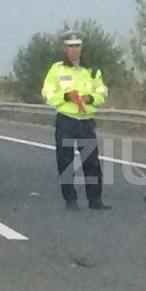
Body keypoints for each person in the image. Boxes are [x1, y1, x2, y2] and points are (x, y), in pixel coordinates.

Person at [41, 31, 111, 210]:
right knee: (65, 160)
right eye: (71, 46)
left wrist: (90, 98)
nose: (74, 50)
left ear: (81, 48)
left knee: (92, 162)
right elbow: (47, 94)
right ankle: (70, 200)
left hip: (86, 121)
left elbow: (102, 92)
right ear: (65, 49)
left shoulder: (92, 71)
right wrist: (65, 96)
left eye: (77, 46)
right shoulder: (57, 70)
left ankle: (95, 200)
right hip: (66, 120)